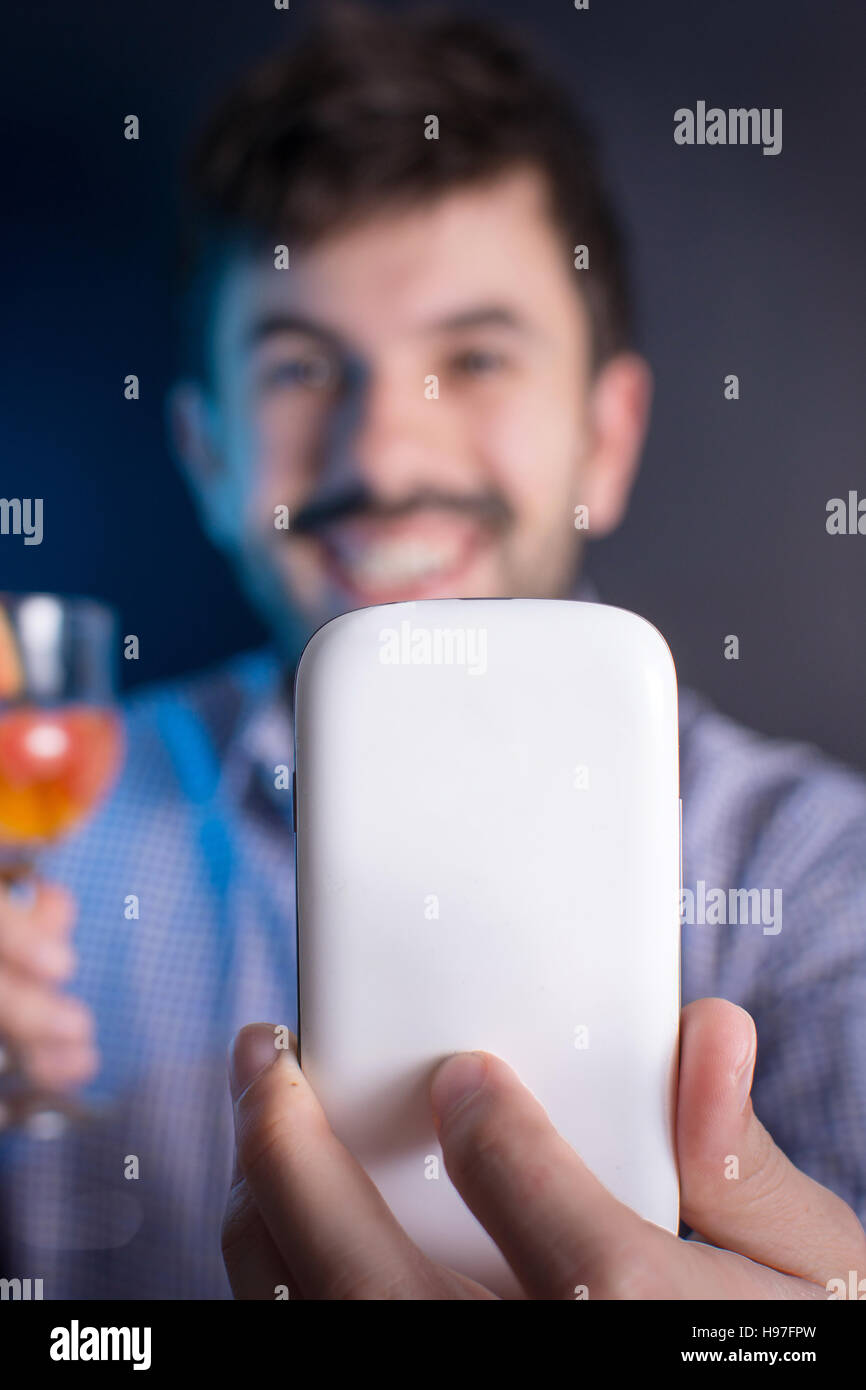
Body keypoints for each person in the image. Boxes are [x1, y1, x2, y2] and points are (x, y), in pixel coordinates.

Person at [1, 2, 864, 1300]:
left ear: (606, 436)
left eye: (472, 357)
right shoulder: (39, 834)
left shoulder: (814, 881)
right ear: (208, 453)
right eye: (300, 370)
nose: (386, 456)